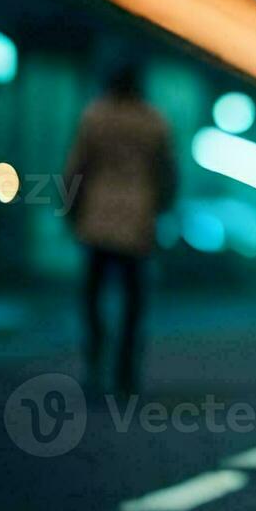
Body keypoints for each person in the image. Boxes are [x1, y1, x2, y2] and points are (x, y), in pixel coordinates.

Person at [63, 62, 176, 393]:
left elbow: (77, 166)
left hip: (97, 216)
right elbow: (167, 172)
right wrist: (161, 207)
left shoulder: (94, 116)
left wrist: (71, 207)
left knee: (92, 294)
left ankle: (95, 358)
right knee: (133, 299)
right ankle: (126, 369)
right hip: (138, 218)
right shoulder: (153, 121)